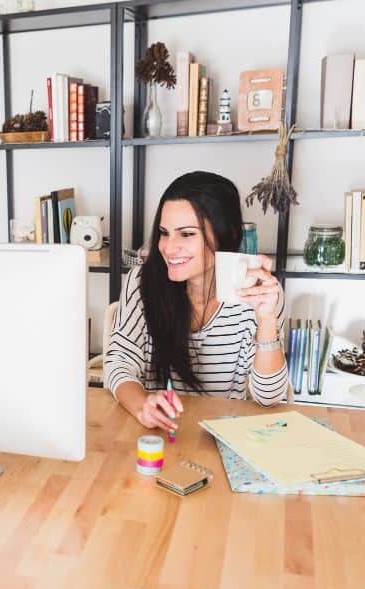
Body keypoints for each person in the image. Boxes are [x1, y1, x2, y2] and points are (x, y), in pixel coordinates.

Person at [104, 171, 288, 433]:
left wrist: (266, 320)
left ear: (227, 234)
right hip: (156, 434)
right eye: (164, 233)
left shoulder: (257, 291)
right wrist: (141, 404)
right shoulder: (141, 280)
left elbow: (269, 398)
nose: (168, 247)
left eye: (187, 234)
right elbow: (118, 361)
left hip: (226, 437)